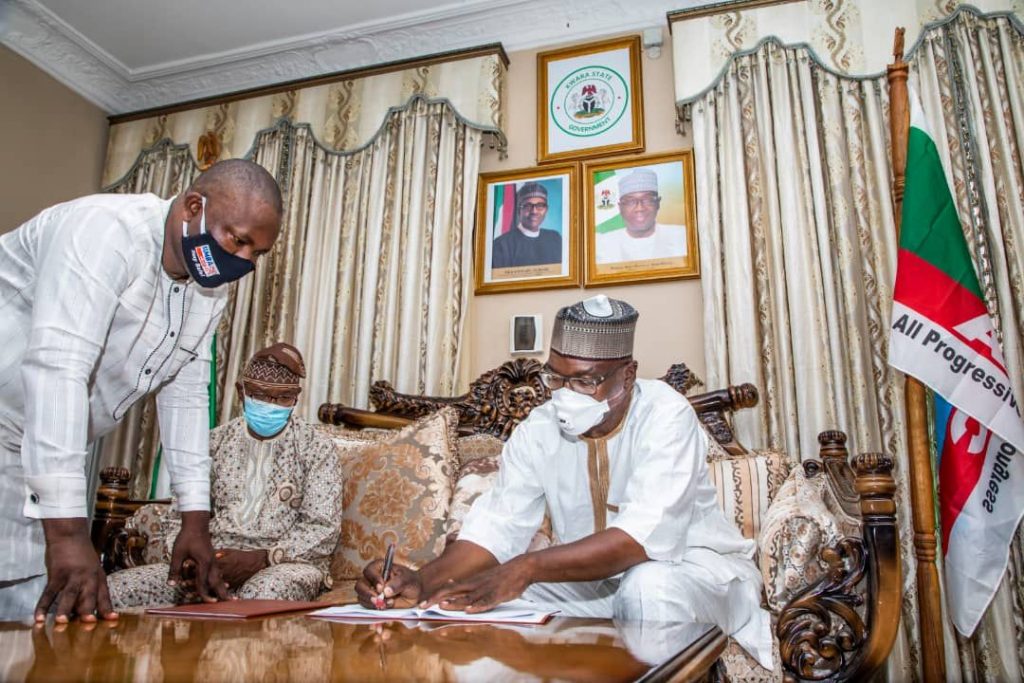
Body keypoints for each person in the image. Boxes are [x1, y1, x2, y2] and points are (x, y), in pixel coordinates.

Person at [356, 295, 773, 669]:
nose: (565, 394)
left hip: (694, 574)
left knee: (647, 588)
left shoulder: (667, 413)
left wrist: (528, 567)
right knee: (468, 605)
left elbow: (640, 541)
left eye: (585, 381)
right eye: (556, 377)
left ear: (627, 375)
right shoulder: (539, 429)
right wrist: (422, 582)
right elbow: (496, 529)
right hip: (589, 584)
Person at [0, 159, 282, 623]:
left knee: (31, 614)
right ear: (194, 206)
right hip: (19, 426)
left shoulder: (208, 289)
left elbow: (187, 393)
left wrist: (195, 520)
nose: (246, 262)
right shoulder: (103, 232)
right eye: (240, 240)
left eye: (259, 253)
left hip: (30, 446)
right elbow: (60, 368)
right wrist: (70, 534)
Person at [107, 343, 342, 607]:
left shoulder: (316, 448)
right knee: (116, 590)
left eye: (282, 398)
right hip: (210, 557)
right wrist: (193, 562)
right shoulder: (214, 443)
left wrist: (264, 558)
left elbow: (323, 528)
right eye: (260, 395)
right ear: (241, 392)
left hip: (283, 564)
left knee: (263, 593)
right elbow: (178, 517)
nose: (270, 405)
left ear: (296, 398)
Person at [595, 169, 687, 264]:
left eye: (647, 200)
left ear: (658, 203)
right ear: (620, 207)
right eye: (630, 201)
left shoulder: (682, 236)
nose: (640, 208)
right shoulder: (601, 245)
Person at [491, 183, 562, 269]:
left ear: (546, 210)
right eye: (528, 206)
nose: (534, 211)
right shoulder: (501, 245)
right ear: (519, 210)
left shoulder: (555, 238)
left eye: (540, 206)